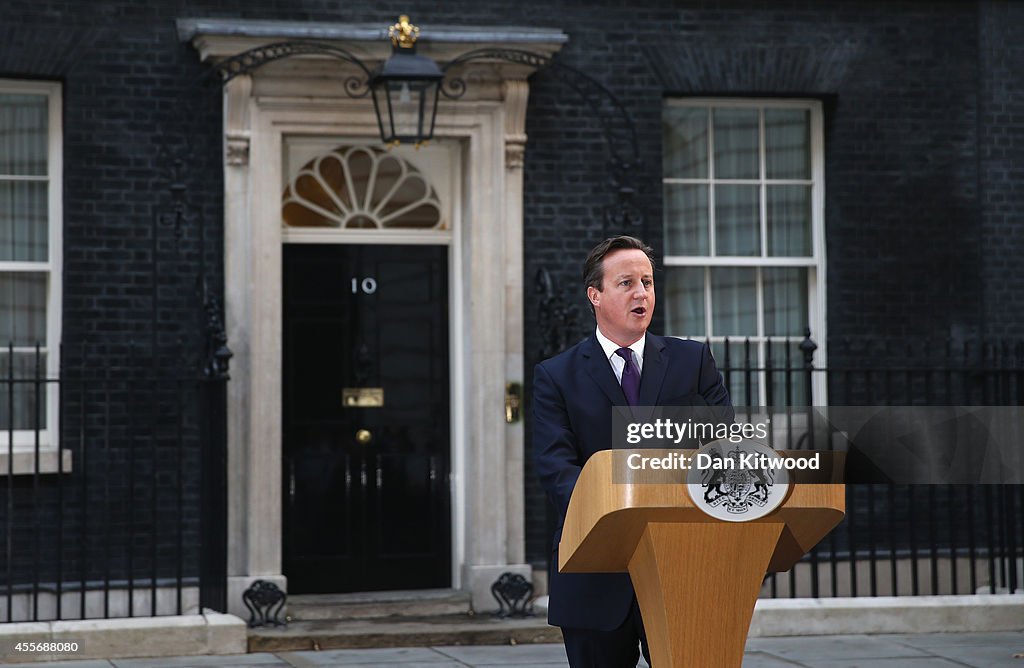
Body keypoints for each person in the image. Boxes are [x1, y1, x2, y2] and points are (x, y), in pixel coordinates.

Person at [533, 235, 732, 667]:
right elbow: (555, 467)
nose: (642, 292)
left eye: (648, 281)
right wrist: (613, 513)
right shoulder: (555, 375)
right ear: (595, 295)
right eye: (626, 283)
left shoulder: (692, 362)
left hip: (680, 564)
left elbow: (723, 446)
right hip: (595, 568)